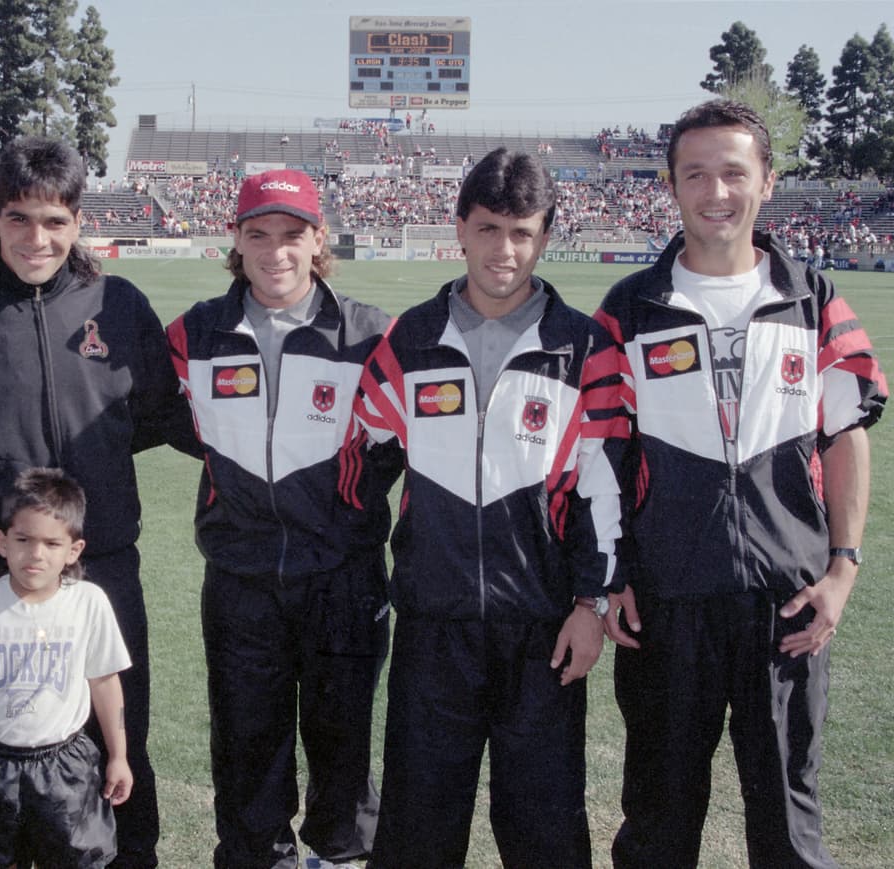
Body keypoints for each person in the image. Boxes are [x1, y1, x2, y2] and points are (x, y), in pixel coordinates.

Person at [594, 100, 887, 869]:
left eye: (733, 172)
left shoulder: (813, 297)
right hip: (666, 598)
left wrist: (843, 568)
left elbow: (847, 436)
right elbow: (600, 451)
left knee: (789, 821)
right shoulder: (628, 308)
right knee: (658, 820)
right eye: (695, 174)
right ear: (671, 187)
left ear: (767, 181)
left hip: (788, 600)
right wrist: (611, 573)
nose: (715, 191)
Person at [0, 136, 185, 869]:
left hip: (101, 570)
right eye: (21, 219)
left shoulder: (119, 306)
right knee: (0, 746)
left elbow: (161, 415)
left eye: (56, 221)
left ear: (79, 222)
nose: (39, 238)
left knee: (118, 738)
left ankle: (131, 859)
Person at [347, 147, 627, 868]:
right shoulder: (409, 340)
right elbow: (362, 464)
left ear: (545, 235)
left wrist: (591, 604)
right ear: (461, 228)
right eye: (489, 229)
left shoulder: (584, 346)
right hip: (432, 628)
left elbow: (603, 488)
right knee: (416, 833)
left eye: (522, 232)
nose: (505, 250)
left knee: (545, 834)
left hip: (543, 630)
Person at [165, 169, 396, 868]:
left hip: (344, 578)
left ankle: (340, 857)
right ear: (235, 239)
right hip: (240, 579)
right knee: (246, 749)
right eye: (258, 234)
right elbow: (174, 424)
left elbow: (402, 447)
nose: (276, 252)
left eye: (292, 234)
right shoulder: (192, 334)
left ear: (319, 239)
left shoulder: (373, 336)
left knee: (343, 746)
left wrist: (342, 509)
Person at [0, 468, 132, 869]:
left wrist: (119, 755)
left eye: (52, 543)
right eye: (23, 540)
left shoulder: (88, 602)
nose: (36, 554)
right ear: (2, 542)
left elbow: (105, 683)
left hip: (66, 766)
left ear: (73, 550)